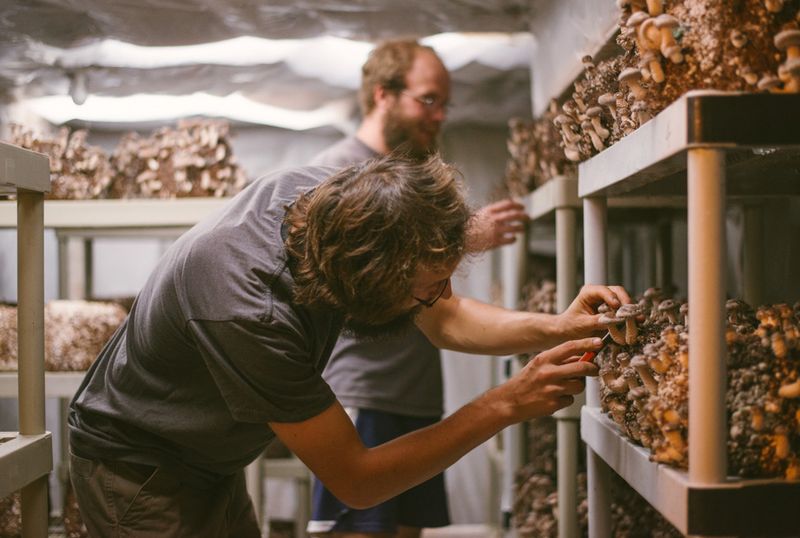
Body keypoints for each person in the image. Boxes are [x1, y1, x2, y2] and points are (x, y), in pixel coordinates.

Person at [68, 153, 627, 537]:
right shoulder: (247, 308)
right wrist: (506, 403)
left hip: (208, 456)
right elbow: (357, 479)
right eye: (429, 287)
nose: (443, 297)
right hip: (139, 465)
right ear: (373, 284)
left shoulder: (333, 202)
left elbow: (444, 316)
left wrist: (557, 326)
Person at [308, 39, 529, 537]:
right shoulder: (337, 175)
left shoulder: (410, 179)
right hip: (365, 395)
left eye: (445, 104)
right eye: (428, 100)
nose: (439, 116)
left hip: (417, 397)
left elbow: (440, 307)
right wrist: (463, 235)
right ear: (383, 94)